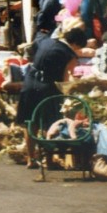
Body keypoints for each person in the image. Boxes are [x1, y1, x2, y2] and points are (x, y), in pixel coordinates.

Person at [16, 27, 87, 169]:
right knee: (50, 122)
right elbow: (66, 78)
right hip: (47, 87)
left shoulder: (46, 42)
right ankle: (48, 160)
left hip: (30, 83)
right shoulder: (69, 54)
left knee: (30, 122)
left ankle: (31, 159)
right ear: (76, 44)